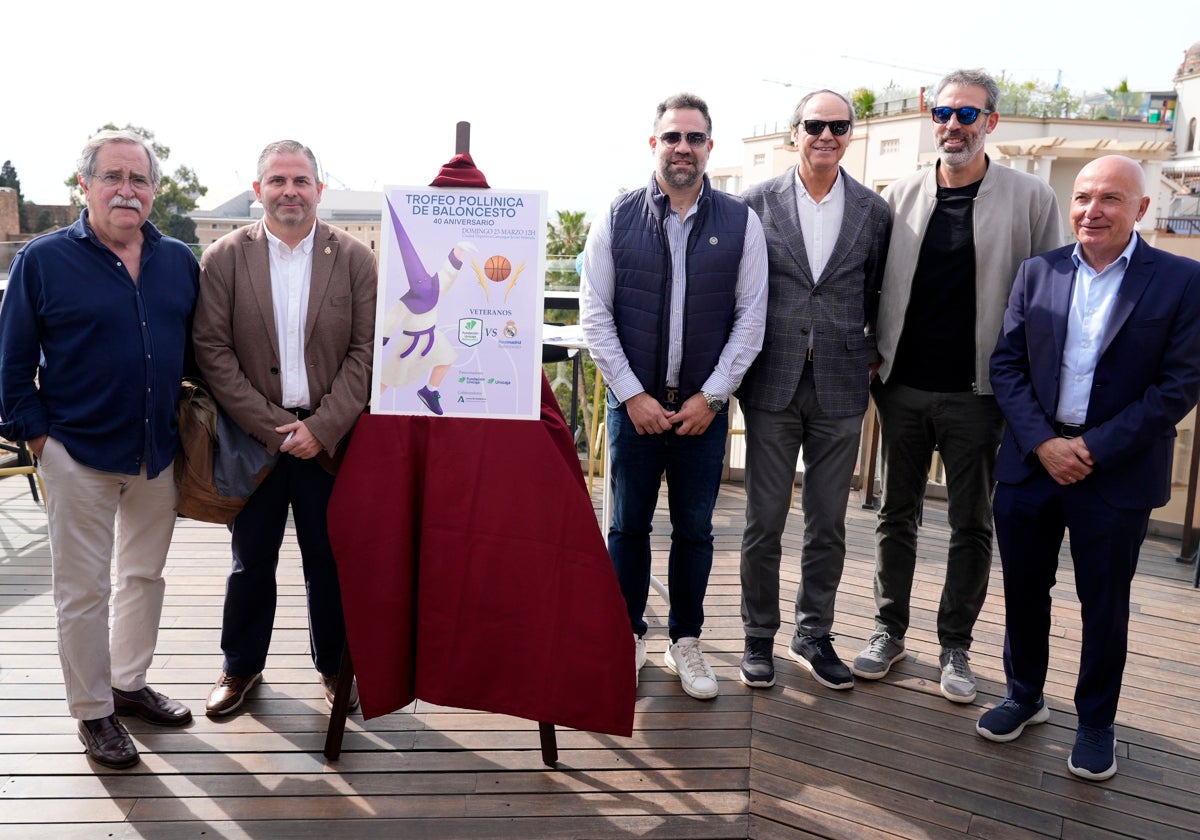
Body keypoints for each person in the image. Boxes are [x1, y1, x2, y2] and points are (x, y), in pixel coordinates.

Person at [978, 155, 1200, 781]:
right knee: (1024, 588)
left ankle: (1096, 721)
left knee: (1104, 602)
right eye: (1081, 197)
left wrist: (1093, 448)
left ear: (1141, 210)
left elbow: (1178, 386)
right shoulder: (1037, 272)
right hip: (1032, 462)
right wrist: (1045, 443)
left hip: (1116, 471)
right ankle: (1024, 695)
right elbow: (1007, 366)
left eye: (1109, 198)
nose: (1091, 210)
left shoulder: (1182, 281)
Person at [854, 69, 1064, 704]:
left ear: (990, 123)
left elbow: (1051, 300)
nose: (952, 124)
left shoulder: (1031, 198)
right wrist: (872, 354)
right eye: (943, 112)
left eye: (967, 115)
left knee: (972, 522)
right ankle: (888, 632)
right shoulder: (899, 194)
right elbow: (871, 284)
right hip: (904, 387)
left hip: (981, 394)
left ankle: (956, 647)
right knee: (897, 514)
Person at [0, 130, 197, 768]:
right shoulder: (43, 259)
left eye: (139, 180)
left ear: (154, 192)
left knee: (143, 578)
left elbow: (198, 351)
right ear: (84, 185)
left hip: (154, 453)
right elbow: (11, 363)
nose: (126, 190)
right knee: (82, 591)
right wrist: (39, 441)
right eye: (112, 177)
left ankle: (129, 685)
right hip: (76, 453)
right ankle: (94, 713)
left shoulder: (177, 261)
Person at [580, 93, 768, 700]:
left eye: (694, 138)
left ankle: (685, 639)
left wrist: (712, 398)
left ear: (710, 147)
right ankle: (624, 633)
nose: (682, 148)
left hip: (702, 412)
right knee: (627, 528)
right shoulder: (616, 216)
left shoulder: (742, 221)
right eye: (672, 137)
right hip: (633, 408)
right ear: (653, 144)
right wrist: (631, 395)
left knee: (694, 531)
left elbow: (751, 319)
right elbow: (595, 315)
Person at [193, 140, 377, 717]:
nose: (289, 192)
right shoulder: (223, 257)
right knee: (252, 559)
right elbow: (212, 350)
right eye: (277, 181)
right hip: (254, 441)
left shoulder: (354, 259)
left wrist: (321, 426)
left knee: (330, 559)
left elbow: (367, 353)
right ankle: (240, 667)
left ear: (319, 190)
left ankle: (334, 667)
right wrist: (275, 429)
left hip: (331, 440)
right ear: (258, 191)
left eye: (301, 181)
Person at [736, 90, 891, 690]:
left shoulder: (873, 212)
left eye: (839, 126)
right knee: (764, 521)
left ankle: (813, 632)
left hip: (843, 385)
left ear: (852, 134)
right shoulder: (752, 205)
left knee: (828, 522)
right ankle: (757, 636)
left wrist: (873, 354)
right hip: (772, 381)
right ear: (793, 132)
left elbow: (879, 292)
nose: (827, 134)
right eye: (815, 125)